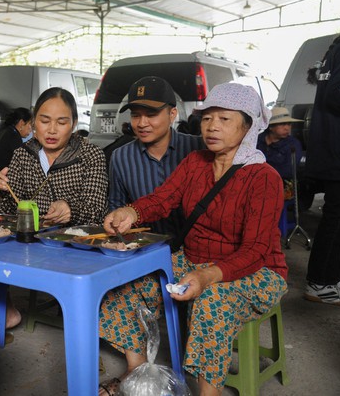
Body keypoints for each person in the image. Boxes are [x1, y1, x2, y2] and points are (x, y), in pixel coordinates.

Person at [98, 82, 287, 396]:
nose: (212, 127)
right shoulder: (196, 163)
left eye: (224, 119)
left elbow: (255, 250)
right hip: (195, 258)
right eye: (207, 118)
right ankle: (136, 374)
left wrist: (206, 275)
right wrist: (131, 212)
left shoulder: (263, 178)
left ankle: (207, 393)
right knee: (126, 283)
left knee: (213, 300)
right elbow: (163, 198)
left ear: (248, 126)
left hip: (256, 270)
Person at [0, 87, 108, 226]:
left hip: (76, 242)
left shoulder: (90, 155)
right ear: (34, 122)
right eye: (44, 121)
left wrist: (71, 210)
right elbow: (7, 212)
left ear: (74, 123)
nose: (52, 130)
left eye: (61, 123)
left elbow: (97, 210)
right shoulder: (22, 155)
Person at [108, 76, 204, 235]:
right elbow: (116, 205)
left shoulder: (197, 148)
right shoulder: (120, 157)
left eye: (151, 114)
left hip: (194, 249)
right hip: (146, 248)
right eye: (135, 115)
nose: (141, 123)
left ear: (172, 114)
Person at [303, 16, 340, 306]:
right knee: (338, 217)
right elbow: (339, 92)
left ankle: (337, 276)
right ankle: (319, 281)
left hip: (338, 147)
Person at [256, 106, 303, 181]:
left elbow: (289, 171)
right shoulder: (256, 141)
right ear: (271, 126)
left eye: (289, 124)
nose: (287, 128)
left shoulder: (293, 144)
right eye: (283, 124)